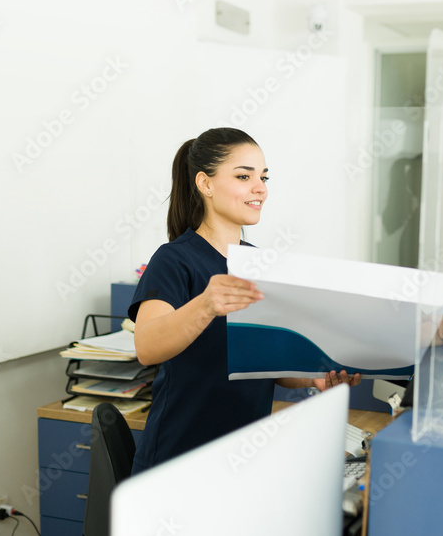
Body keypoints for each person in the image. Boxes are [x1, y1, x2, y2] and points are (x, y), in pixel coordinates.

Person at [129, 127, 359, 475]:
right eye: (243, 176)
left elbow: (265, 362)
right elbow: (147, 346)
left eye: (264, 177)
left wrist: (313, 376)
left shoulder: (259, 264)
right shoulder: (175, 259)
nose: (260, 188)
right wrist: (206, 304)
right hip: (179, 461)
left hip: (242, 457)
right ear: (205, 184)